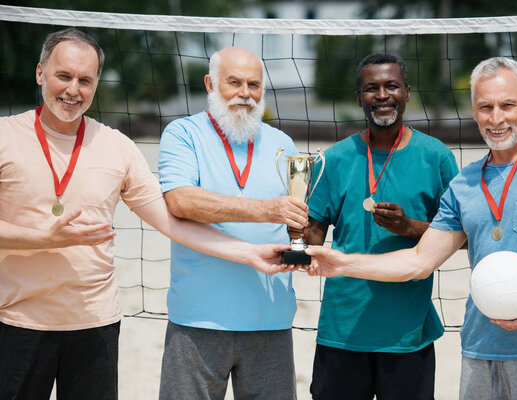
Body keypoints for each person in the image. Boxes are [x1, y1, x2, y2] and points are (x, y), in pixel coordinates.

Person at [0, 29, 292, 400]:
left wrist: (247, 253)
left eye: (85, 80)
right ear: (41, 73)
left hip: (95, 324)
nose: (74, 89)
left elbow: (172, 223)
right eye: (64, 76)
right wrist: (43, 239)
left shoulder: (116, 146)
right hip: (17, 321)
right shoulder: (5, 136)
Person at [306, 57, 517, 399]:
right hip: (479, 349)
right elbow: (419, 261)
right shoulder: (466, 183)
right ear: (473, 112)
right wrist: (340, 262)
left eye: (507, 105)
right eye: (485, 107)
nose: (496, 118)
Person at [290, 53, 458, 400]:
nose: (382, 95)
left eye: (391, 86)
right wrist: (295, 227)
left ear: (407, 92)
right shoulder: (333, 159)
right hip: (343, 328)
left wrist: (409, 226)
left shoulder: (436, 157)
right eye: (371, 88)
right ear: (359, 98)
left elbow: (462, 237)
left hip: (407, 331)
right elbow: (313, 240)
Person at [157, 46, 308, 400]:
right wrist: (264, 210)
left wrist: (304, 241)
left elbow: (297, 219)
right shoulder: (183, 134)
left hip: (270, 321)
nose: (245, 94)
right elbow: (181, 201)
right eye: (234, 82)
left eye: (254, 85)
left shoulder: (283, 144)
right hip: (196, 321)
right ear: (210, 83)